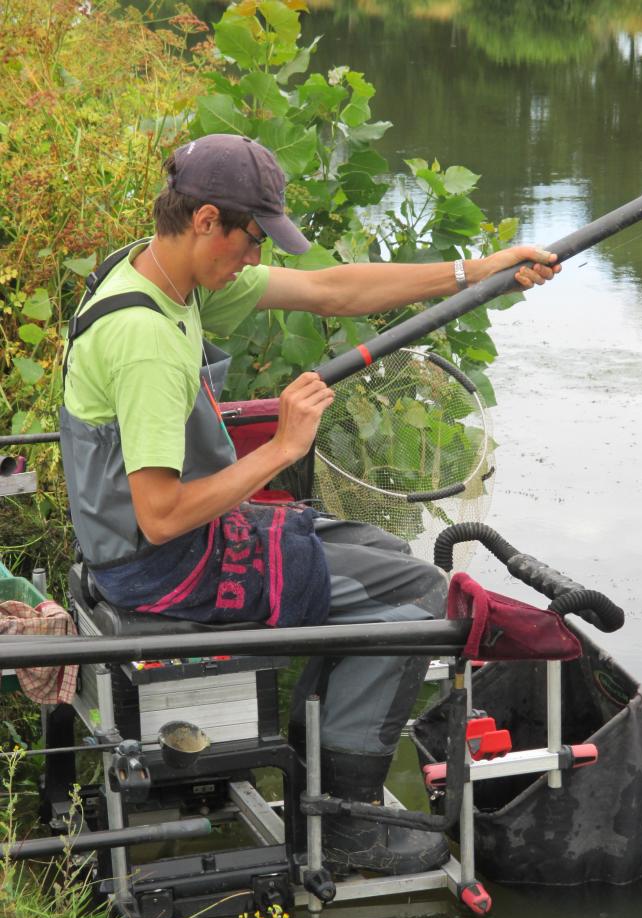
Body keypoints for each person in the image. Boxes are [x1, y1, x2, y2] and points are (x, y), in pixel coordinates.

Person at [60, 133, 559, 876]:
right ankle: (343, 822)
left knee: (392, 559)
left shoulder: (161, 271)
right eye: (252, 238)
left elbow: (331, 290)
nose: (255, 257)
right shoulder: (145, 340)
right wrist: (282, 450)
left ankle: (319, 759)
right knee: (426, 608)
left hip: (168, 542)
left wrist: (474, 271)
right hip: (164, 561)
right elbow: (160, 514)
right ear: (204, 220)